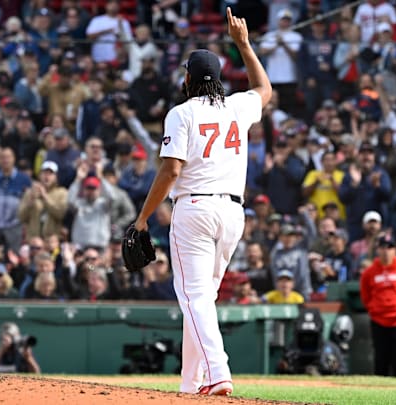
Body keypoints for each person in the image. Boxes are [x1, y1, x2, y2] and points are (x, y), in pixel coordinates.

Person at [130, 8, 271, 396]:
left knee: (194, 299)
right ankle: (191, 385)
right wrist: (244, 44)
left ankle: (217, 373)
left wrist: (142, 219)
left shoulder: (181, 113)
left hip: (194, 210)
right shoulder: (237, 107)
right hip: (232, 213)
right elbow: (265, 90)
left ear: (188, 78)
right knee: (201, 301)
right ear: (220, 80)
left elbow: (170, 171)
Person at [360, 234, 396, 377]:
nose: (386, 251)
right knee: (381, 358)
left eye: (389, 247)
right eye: (383, 247)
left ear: (395, 250)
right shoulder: (369, 272)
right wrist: (374, 309)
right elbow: (365, 296)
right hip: (379, 320)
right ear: (377, 250)